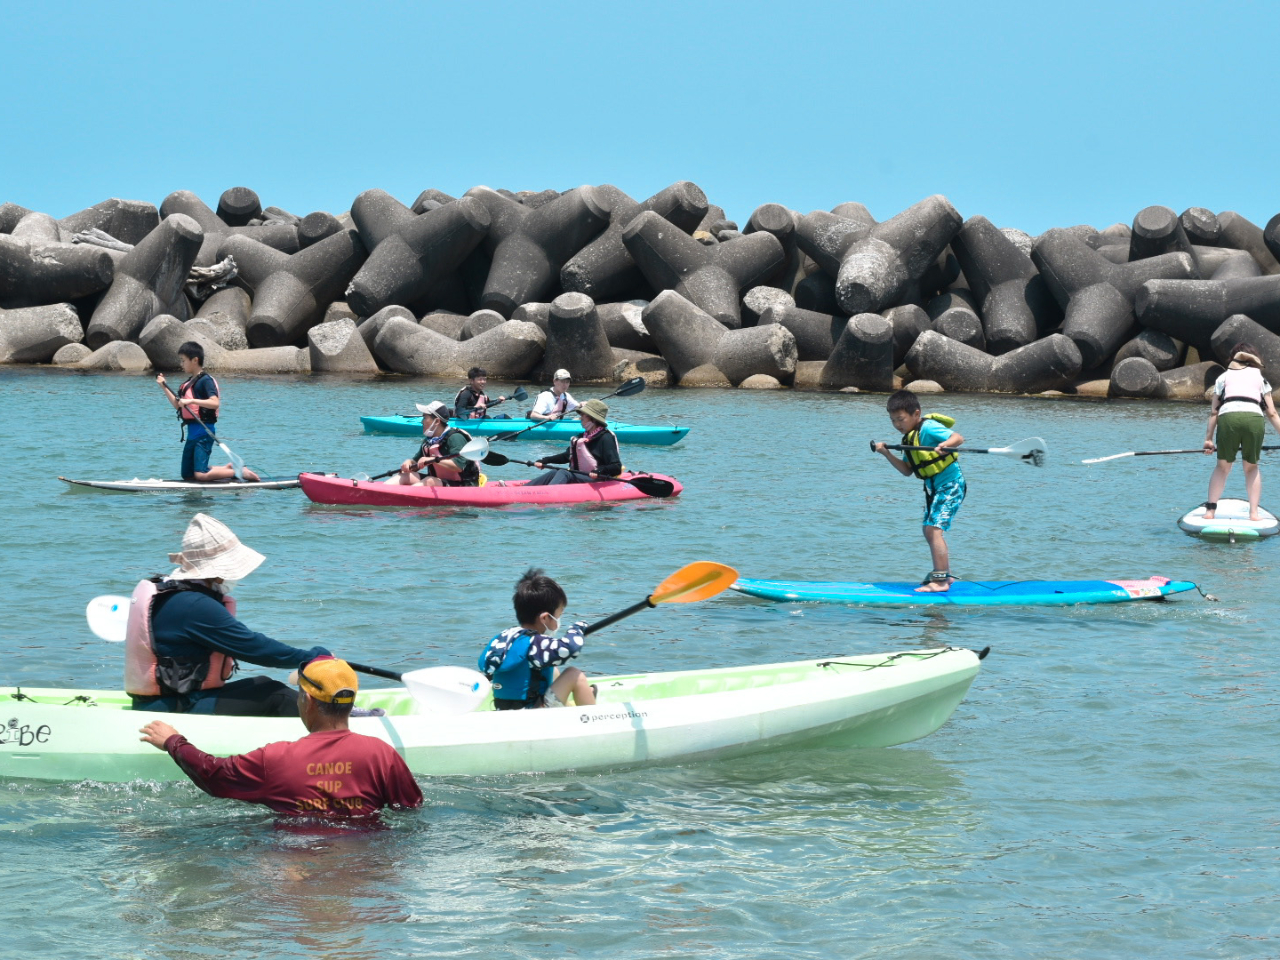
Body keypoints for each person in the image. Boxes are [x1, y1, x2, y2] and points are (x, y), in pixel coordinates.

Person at [138, 655, 423, 819]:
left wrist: (173, 742)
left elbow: (213, 775)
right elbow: (410, 809)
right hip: (367, 857)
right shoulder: (381, 754)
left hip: (294, 857)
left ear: (307, 700)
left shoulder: (274, 758)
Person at [126, 513, 333, 716]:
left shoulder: (175, 595)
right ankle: (338, 725)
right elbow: (256, 648)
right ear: (216, 572)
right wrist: (313, 657)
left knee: (262, 683)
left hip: (171, 698)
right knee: (275, 696)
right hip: (170, 707)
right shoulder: (194, 605)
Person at [874, 389, 966, 592]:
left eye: (901, 419)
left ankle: (940, 581)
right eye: (893, 421)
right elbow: (907, 470)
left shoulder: (929, 427)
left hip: (951, 485)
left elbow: (958, 438)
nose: (898, 425)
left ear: (916, 414)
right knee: (928, 530)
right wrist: (886, 453)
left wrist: (945, 444)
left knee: (934, 530)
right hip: (934, 489)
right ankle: (945, 575)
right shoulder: (909, 439)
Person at [478, 569, 597, 710]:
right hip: (531, 715)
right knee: (574, 674)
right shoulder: (535, 643)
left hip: (505, 710)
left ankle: (569, 704)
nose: (559, 620)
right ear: (545, 618)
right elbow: (569, 649)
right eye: (558, 615)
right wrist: (578, 629)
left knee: (552, 669)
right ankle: (593, 718)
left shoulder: (505, 637)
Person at [156, 341, 261, 483]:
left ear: (195, 360)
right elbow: (178, 405)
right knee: (188, 475)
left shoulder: (206, 381)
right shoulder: (187, 384)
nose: (181, 364)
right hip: (192, 434)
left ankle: (240, 472)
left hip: (204, 432)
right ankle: (229, 468)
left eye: (183, 360)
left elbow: (214, 402)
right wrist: (164, 387)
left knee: (200, 475)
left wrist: (191, 401)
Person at [1202, 345, 1280, 521]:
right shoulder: (1260, 379)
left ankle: (1210, 512)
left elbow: (1214, 412)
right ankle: (1253, 513)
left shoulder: (1223, 377)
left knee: (1223, 467)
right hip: (1254, 418)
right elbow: (1272, 413)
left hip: (1228, 417)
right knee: (1251, 467)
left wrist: (1208, 440)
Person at [526, 399, 622, 485]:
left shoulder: (606, 438)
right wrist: (545, 460)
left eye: (584, 415)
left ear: (593, 419)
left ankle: (547, 494)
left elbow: (616, 467)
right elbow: (567, 456)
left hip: (598, 480)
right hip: (580, 477)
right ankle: (525, 489)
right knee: (555, 472)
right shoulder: (581, 437)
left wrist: (600, 471)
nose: (581, 418)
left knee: (564, 473)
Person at [391, 400, 479, 487]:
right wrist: (409, 463)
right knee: (404, 476)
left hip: (463, 485)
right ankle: (383, 494)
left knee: (429, 481)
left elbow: (459, 466)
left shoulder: (455, 438)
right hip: (439, 481)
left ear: (437, 421)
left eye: (425, 418)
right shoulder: (428, 441)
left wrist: (432, 460)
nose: (422, 421)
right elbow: (417, 463)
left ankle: (404, 497)